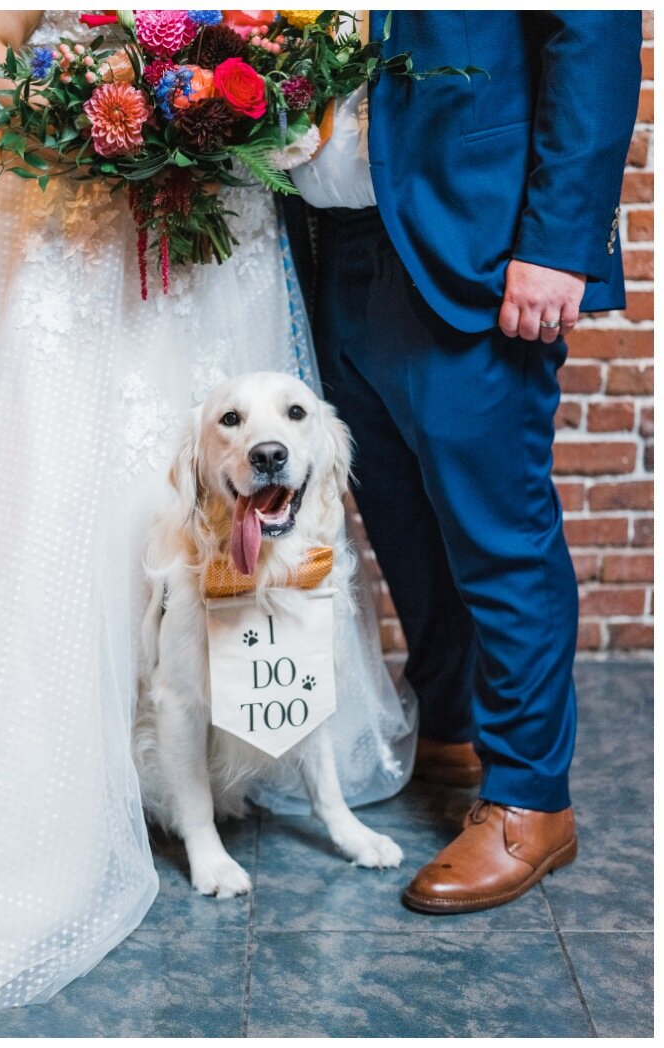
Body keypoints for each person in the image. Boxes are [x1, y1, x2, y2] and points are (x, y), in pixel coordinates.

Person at [0, 11, 415, 1012]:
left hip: (217, 234)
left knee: (244, 475)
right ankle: (64, 774)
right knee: (60, 500)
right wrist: (104, 130)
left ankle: (236, 740)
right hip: (75, 228)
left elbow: (304, 65)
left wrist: (251, 111)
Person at [297, 11, 641, 913]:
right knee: (400, 520)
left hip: (475, 242)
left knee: (498, 535)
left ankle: (532, 800)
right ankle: (450, 726)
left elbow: (594, 34)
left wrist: (559, 243)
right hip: (332, 241)